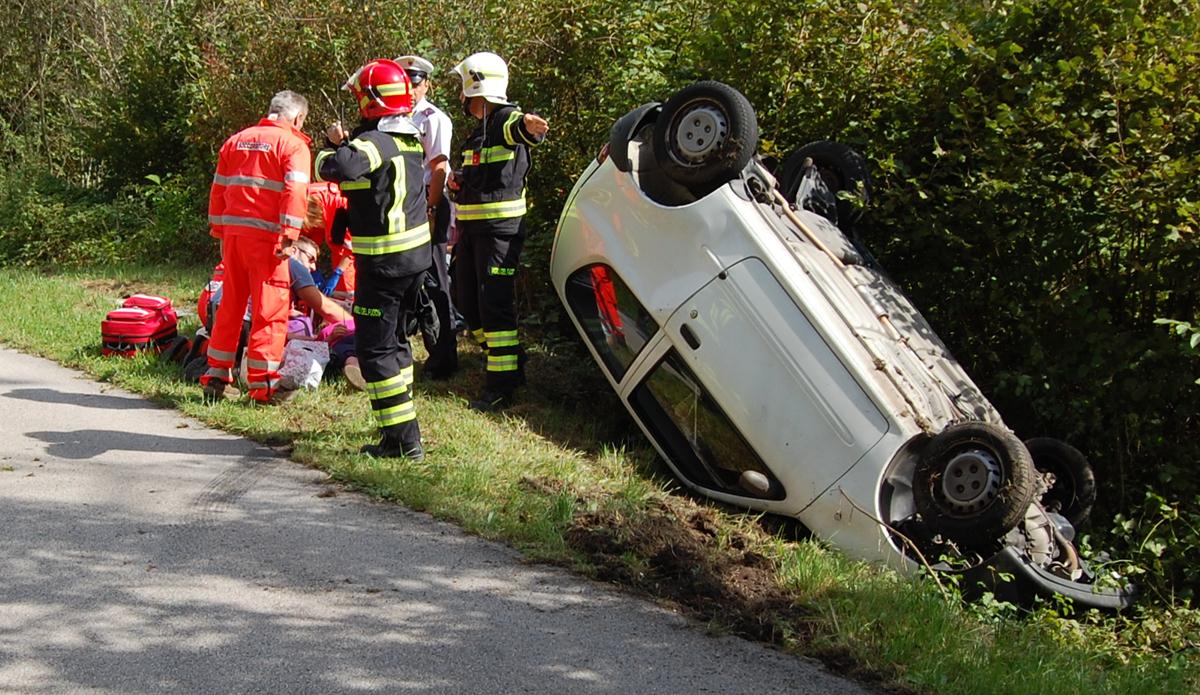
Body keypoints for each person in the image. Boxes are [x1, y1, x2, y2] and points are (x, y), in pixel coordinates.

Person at [314, 58, 430, 460]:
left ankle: (403, 440)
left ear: (370, 101)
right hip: (413, 260)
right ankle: (401, 429)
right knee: (396, 343)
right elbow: (368, 179)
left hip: (384, 264)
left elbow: (342, 166)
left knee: (374, 350)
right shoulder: (407, 139)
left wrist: (328, 154)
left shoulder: (373, 144)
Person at [449, 52, 548, 411]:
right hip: (474, 231)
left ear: (475, 86)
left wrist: (530, 127)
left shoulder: (505, 119)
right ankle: (510, 361)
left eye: (462, 88)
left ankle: (501, 386)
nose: (460, 96)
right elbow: (483, 177)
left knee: (495, 307)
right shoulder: (479, 133)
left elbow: (520, 128)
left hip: (499, 235)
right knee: (467, 302)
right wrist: (459, 182)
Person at [202, 90, 312, 405]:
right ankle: (263, 385)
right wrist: (290, 234)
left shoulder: (236, 140)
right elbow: (295, 191)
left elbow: (219, 188)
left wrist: (220, 229)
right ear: (298, 117)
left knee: (230, 306)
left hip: (233, 239)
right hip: (269, 241)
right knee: (269, 310)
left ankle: (216, 375)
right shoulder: (292, 145)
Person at [396, 54, 457, 379]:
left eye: (416, 82)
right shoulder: (395, 117)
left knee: (434, 280)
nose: (411, 88)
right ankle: (401, 347)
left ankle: (444, 356)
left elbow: (439, 167)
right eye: (405, 82)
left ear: (427, 84)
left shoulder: (433, 118)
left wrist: (432, 208)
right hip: (403, 206)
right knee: (406, 279)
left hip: (428, 202)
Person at [302, 182, 356, 295]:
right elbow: (313, 235)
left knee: (347, 292)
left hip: (351, 256)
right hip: (340, 251)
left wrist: (338, 273)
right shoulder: (306, 200)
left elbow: (351, 248)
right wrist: (311, 264)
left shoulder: (341, 205)